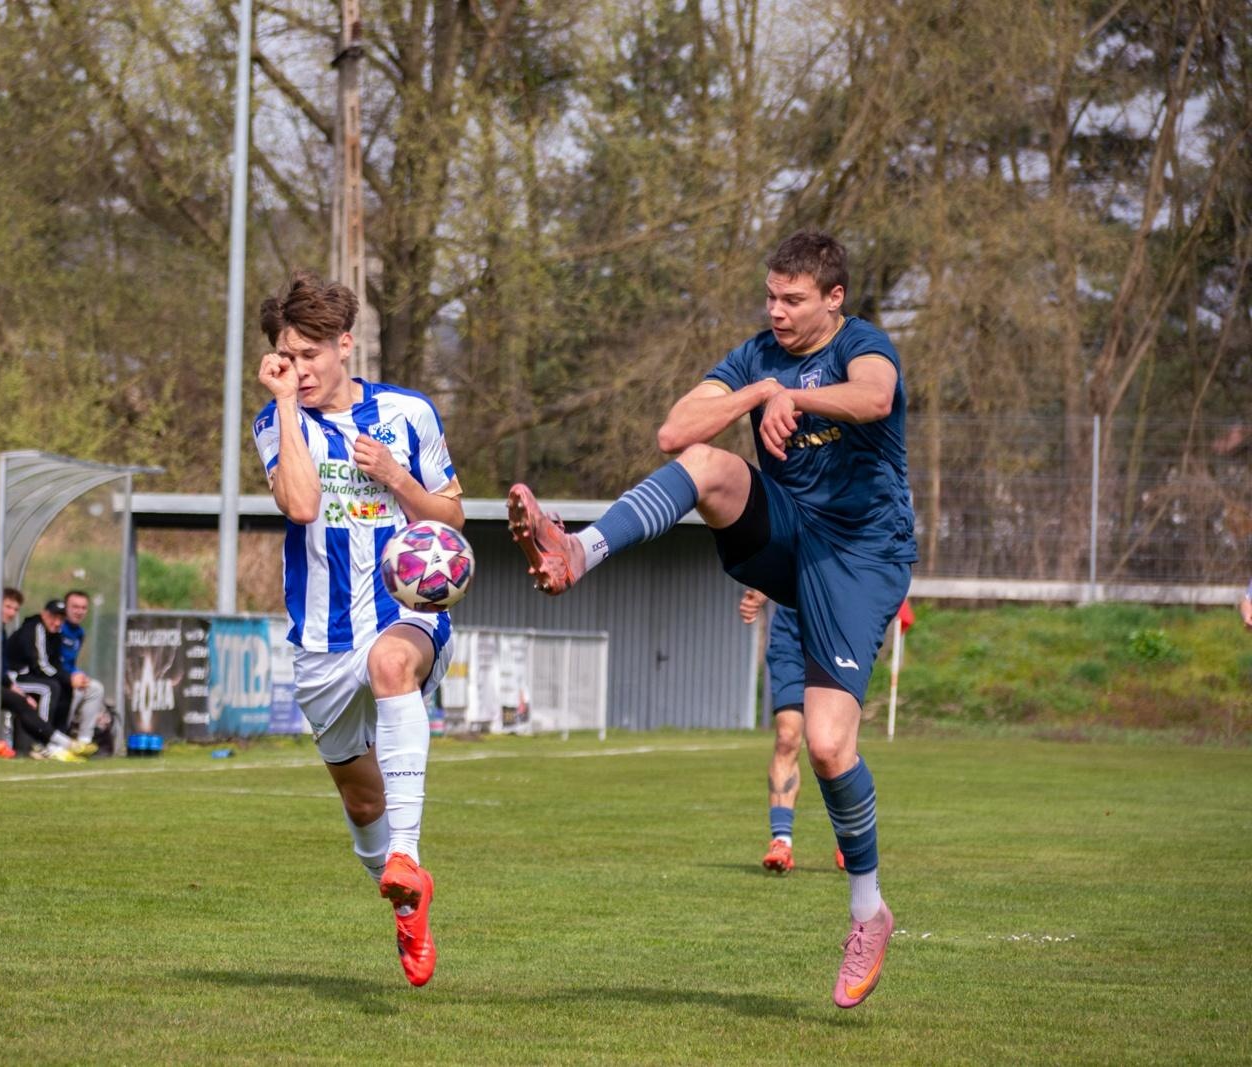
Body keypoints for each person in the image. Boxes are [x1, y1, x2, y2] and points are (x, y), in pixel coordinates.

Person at [507, 231, 911, 1008]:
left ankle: (869, 911)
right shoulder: (758, 352)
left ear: (834, 299)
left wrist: (794, 395)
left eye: (793, 299)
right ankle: (577, 553)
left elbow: (875, 397)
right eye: (770, 295)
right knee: (707, 467)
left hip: (862, 556)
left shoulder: (866, 344)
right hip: (790, 531)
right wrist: (759, 392)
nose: (777, 311)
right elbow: (674, 431)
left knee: (827, 746)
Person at [251, 270, 463, 987]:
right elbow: (303, 505)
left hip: (406, 610)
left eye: (311, 354)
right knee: (360, 799)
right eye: (288, 354)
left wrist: (400, 480)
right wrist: (283, 403)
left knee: (390, 666)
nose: (300, 369)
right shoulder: (276, 422)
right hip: (320, 639)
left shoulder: (408, 413)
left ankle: (406, 853)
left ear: (346, 345)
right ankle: (407, 899)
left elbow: (453, 517)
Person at [739, 589, 844, 874]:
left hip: (838, 637)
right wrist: (760, 591)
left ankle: (849, 839)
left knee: (831, 745)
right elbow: (783, 551)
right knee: (787, 738)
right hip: (790, 639)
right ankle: (781, 841)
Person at [3, 596, 94, 761]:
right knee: (49, 688)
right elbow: (41, 666)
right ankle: (43, 741)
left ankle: (59, 740)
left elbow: (55, 664)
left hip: (30, 678)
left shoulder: (56, 634)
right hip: (14, 678)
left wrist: (70, 679)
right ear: (44, 615)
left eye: (61, 619)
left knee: (64, 687)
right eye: (53, 617)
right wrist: (67, 678)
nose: (57, 622)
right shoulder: (35, 628)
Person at [58, 590, 110, 751]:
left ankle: (84, 741)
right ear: (65, 608)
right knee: (75, 691)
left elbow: (71, 661)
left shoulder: (79, 633)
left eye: (83, 608)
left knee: (95, 688)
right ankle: (60, 738)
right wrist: (70, 677)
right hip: (55, 677)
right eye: (75, 607)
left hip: (69, 675)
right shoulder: (57, 627)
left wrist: (80, 674)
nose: (79, 611)